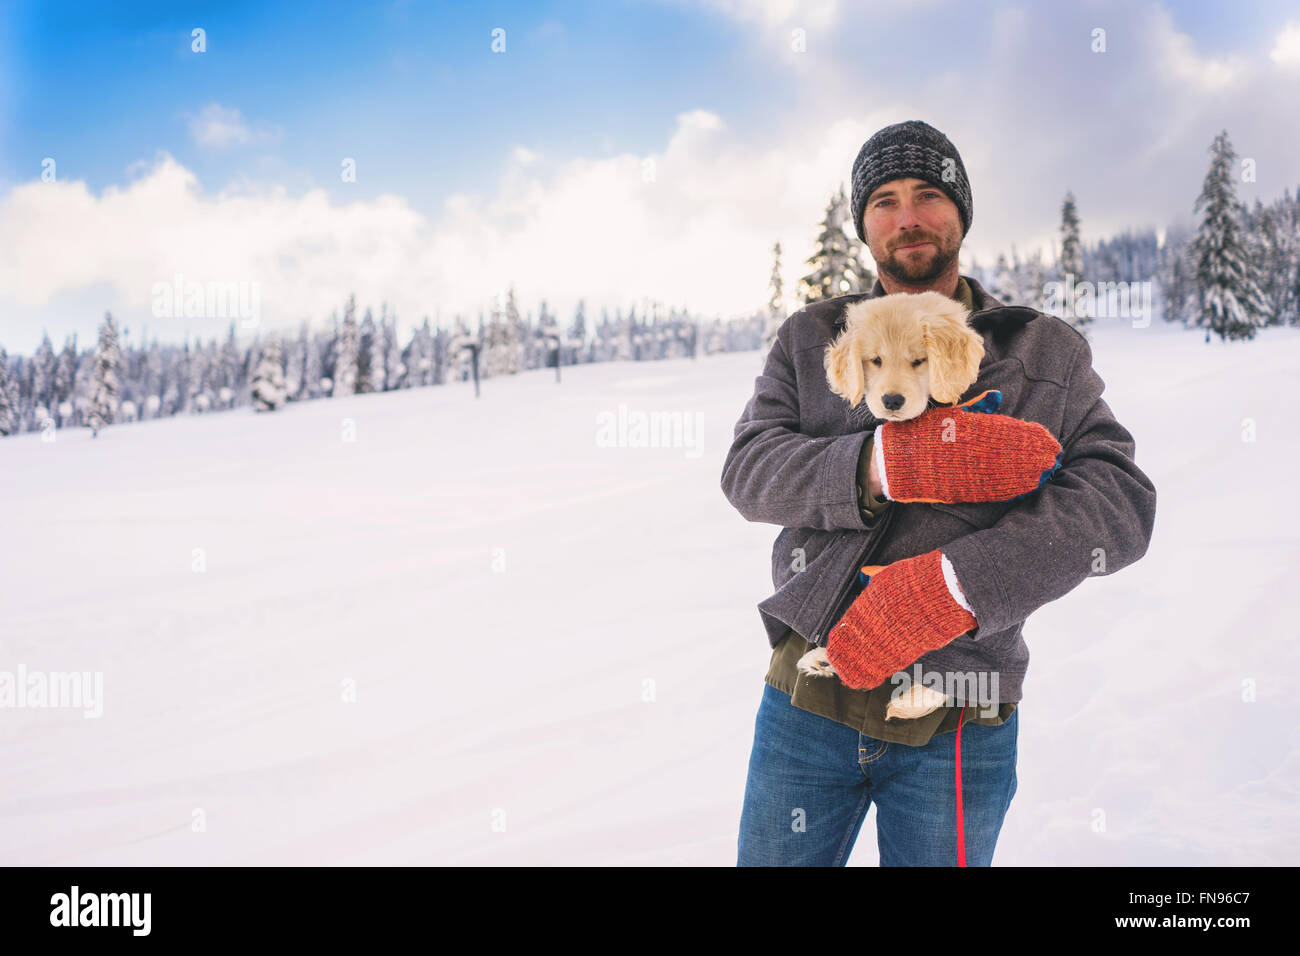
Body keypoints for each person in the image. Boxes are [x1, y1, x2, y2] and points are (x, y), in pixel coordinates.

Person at [721, 119, 1157, 866]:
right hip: (807, 697)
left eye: (928, 194)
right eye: (885, 200)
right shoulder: (813, 337)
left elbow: (1118, 500)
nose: (908, 216)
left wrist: (960, 583)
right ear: (864, 225)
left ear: (960, 212)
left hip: (961, 703)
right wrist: (877, 468)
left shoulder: (1039, 349)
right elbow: (750, 468)